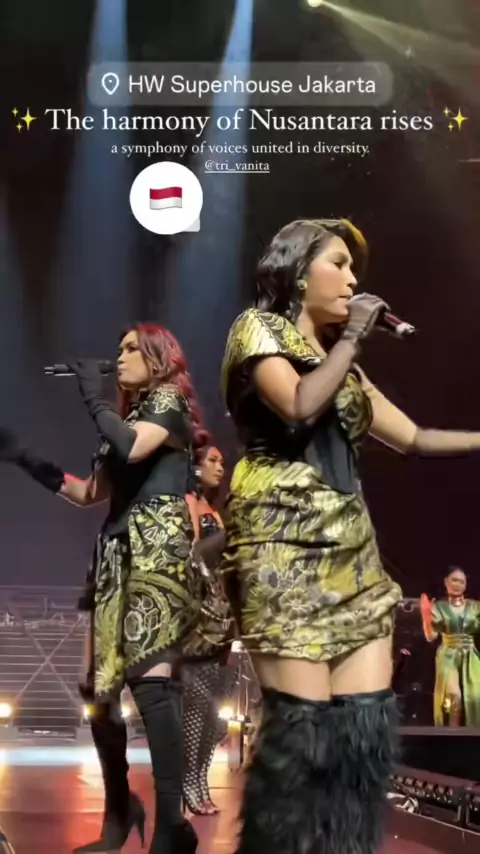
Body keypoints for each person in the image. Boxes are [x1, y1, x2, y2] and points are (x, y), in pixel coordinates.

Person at [220, 217, 480, 854]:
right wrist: (356, 337)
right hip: (282, 546)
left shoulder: (347, 368)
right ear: (296, 270)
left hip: (352, 554)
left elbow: (414, 437)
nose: (353, 278)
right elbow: (299, 404)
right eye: (338, 262)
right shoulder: (258, 330)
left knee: (361, 736)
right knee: (304, 739)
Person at [0, 323, 206, 854]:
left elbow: (133, 449)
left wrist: (92, 395)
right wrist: (24, 458)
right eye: (118, 349)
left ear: (159, 358)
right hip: (116, 555)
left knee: (151, 679)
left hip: (155, 549)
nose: (119, 357)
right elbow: (89, 493)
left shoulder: (167, 403)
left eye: (131, 349)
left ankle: (171, 825)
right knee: (97, 689)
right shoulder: (128, 420)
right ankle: (119, 810)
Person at [181, 446, 236, 815]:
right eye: (213, 461)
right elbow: (192, 555)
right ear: (196, 466)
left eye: (222, 462)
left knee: (217, 713)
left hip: (224, 614)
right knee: (197, 707)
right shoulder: (188, 503)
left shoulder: (214, 510)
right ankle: (189, 780)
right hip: (200, 616)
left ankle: (201, 776)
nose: (220, 467)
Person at [421, 568, 480, 727]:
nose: (457, 584)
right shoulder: (439, 607)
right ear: (446, 582)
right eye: (454, 580)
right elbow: (431, 637)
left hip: (471, 656)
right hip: (448, 656)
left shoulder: (475, 607)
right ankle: (451, 736)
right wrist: (426, 618)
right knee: (453, 697)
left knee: (475, 698)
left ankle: (472, 736)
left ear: (465, 585)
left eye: (461, 581)